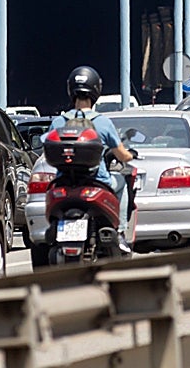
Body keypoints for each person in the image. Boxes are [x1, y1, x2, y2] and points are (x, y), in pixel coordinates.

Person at [50, 65, 136, 252]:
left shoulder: (58, 122)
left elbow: (46, 151)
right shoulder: (103, 122)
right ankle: (120, 231)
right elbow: (122, 155)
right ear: (96, 90)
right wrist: (130, 155)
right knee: (122, 181)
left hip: (62, 182)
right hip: (97, 182)